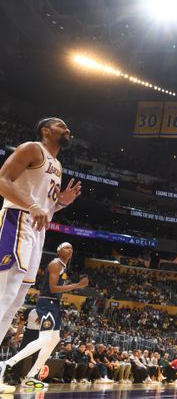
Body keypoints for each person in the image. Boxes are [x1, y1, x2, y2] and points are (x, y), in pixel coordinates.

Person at [0, 117, 81, 380]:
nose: (68, 129)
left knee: (14, 303)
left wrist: (61, 204)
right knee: (4, 295)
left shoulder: (57, 164)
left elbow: (43, 205)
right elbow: (2, 180)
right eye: (61, 126)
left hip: (37, 230)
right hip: (17, 220)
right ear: (46, 131)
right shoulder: (32, 148)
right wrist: (32, 205)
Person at [0, 242, 87, 390]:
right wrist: (76, 286)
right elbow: (53, 288)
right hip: (47, 302)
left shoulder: (64, 266)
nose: (70, 249)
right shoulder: (55, 264)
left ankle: (30, 377)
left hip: (54, 304)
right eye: (66, 247)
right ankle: (7, 363)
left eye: (71, 248)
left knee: (54, 339)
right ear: (58, 250)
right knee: (45, 338)